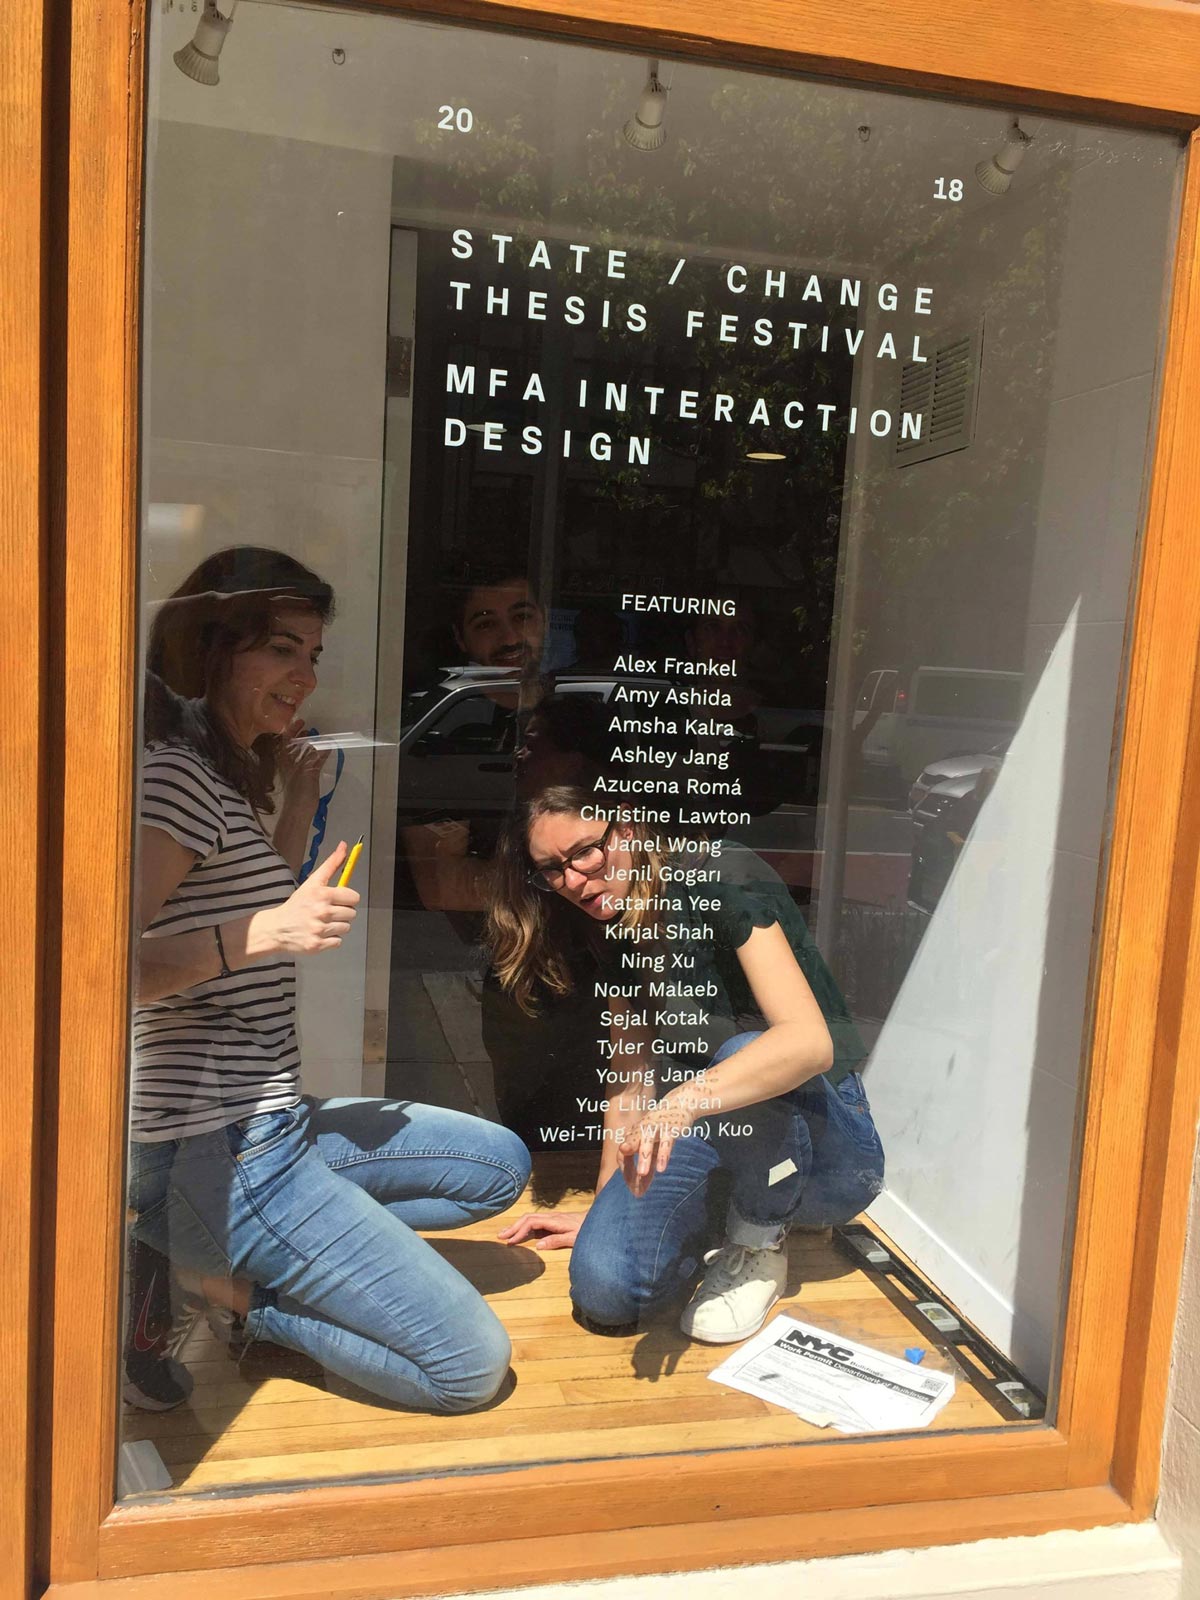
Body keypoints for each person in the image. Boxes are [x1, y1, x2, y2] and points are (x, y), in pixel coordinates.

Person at [125, 545, 530, 1413]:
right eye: (281, 649)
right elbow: (98, 970)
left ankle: (232, 1243)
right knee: (466, 1368)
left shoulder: (222, 783)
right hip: (221, 1150)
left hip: (273, 1120)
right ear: (213, 650)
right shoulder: (176, 780)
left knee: (496, 1168)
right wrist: (264, 930)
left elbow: (230, 910)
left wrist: (299, 804)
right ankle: (226, 1288)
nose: (305, 675)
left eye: (312, 654)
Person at [485, 785, 884, 1344]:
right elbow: (630, 1084)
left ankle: (758, 1241)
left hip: (826, 1156)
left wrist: (682, 1101)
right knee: (605, 1292)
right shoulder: (617, 928)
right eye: (552, 869)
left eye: (584, 852)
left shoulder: (721, 873)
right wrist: (605, 1209)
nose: (574, 880)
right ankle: (718, 1218)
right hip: (712, 1138)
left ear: (624, 827)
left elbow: (806, 1045)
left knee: (743, 1052)